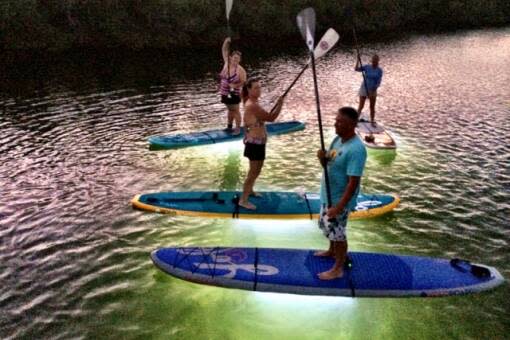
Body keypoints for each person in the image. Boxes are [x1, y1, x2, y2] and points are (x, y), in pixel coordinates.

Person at [315, 107, 367, 280]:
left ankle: (338, 268)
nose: (335, 124)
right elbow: (329, 162)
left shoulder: (357, 149)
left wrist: (339, 207)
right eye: (335, 120)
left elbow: (353, 183)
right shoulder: (338, 139)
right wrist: (322, 158)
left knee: (338, 234)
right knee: (329, 228)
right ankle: (331, 251)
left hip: (340, 199)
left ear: (351, 125)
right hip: (327, 194)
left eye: (340, 122)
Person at [238, 78, 285, 210]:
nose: (259, 90)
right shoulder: (252, 105)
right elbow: (271, 118)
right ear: (249, 90)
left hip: (259, 143)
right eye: (256, 88)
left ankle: (250, 190)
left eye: (260, 87)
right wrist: (280, 104)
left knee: (257, 170)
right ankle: (243, 200)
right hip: (254, 144)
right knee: (253, 172)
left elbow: (251, 121)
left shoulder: (253, 102)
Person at [220, 37, 246, 135]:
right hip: (224, 92)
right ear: (231, 57)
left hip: (234, 93)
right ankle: (229, 127)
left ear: (240, 60)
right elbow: (224, 50)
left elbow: (243, 82)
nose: (235, 59)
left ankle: (238, 129)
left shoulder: (241, 70)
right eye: (234, 57)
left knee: (235, 110)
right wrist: (226, 42)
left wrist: (235, 85)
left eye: (237, 58)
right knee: (230, 110)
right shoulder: (227, 63)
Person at [355, 54, 383, 126]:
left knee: (372, 106)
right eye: (373, 60)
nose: (374, 62)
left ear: (378, 61)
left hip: (373, 89)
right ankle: (356, 120)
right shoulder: (367, 67)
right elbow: (356, 69)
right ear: (372, 60)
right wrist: (358, 60)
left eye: (376, 60)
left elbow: (379, 81)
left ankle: (372, 121)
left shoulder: (379, 70)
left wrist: (374, 88)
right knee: (361, 106)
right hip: (364, 88)